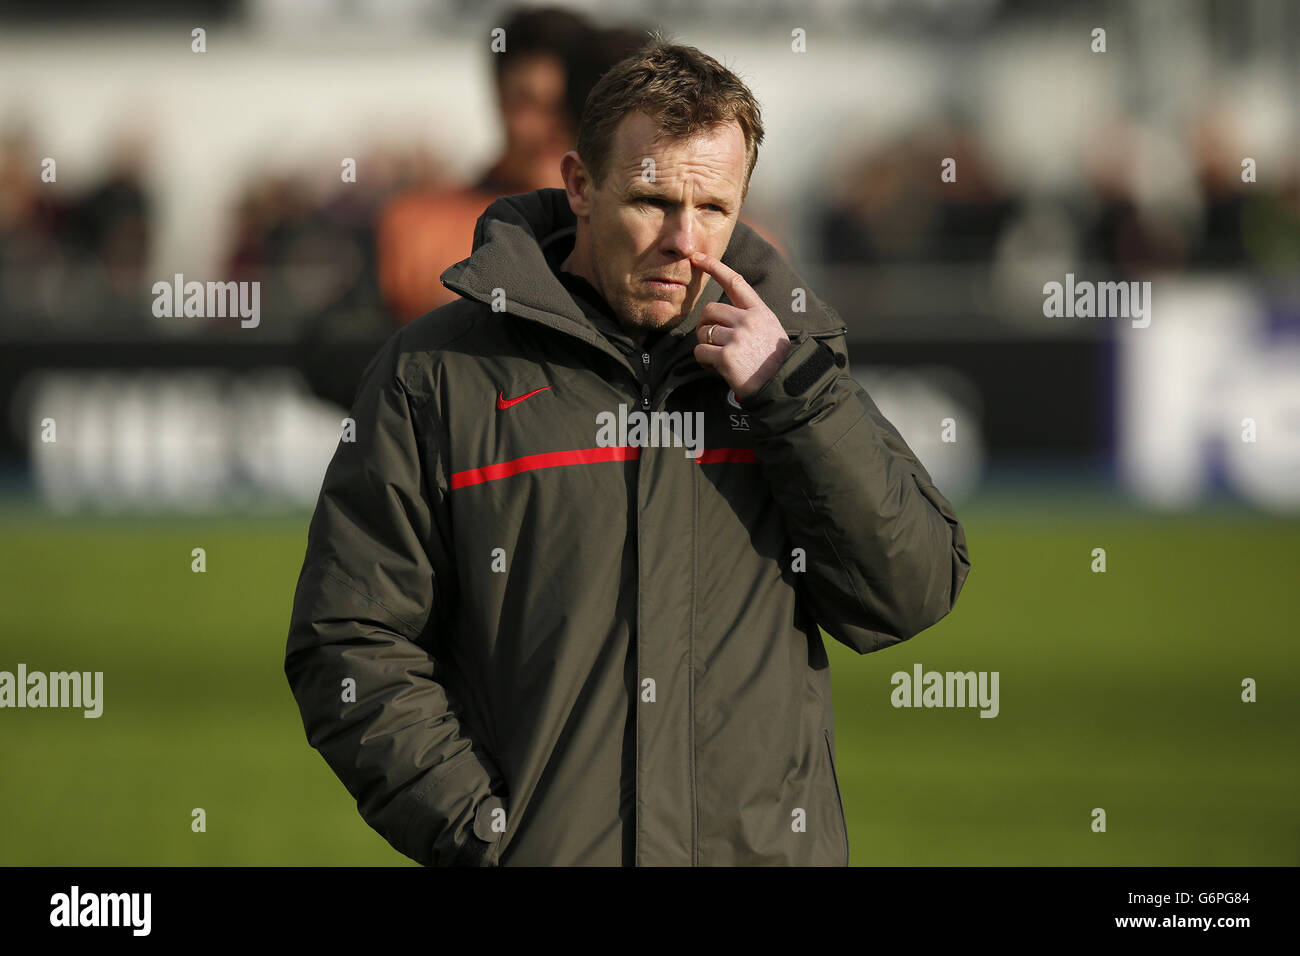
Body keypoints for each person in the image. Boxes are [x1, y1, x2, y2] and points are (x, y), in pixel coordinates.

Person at [285, 37, 971, 867]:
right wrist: (488, 837)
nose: (685, 242)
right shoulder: (438, 372)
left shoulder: (791, 363)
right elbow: (349, 641)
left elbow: (911, 590)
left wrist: (793, 396)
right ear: (579, 184)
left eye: (715, 209)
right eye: (653, 201)